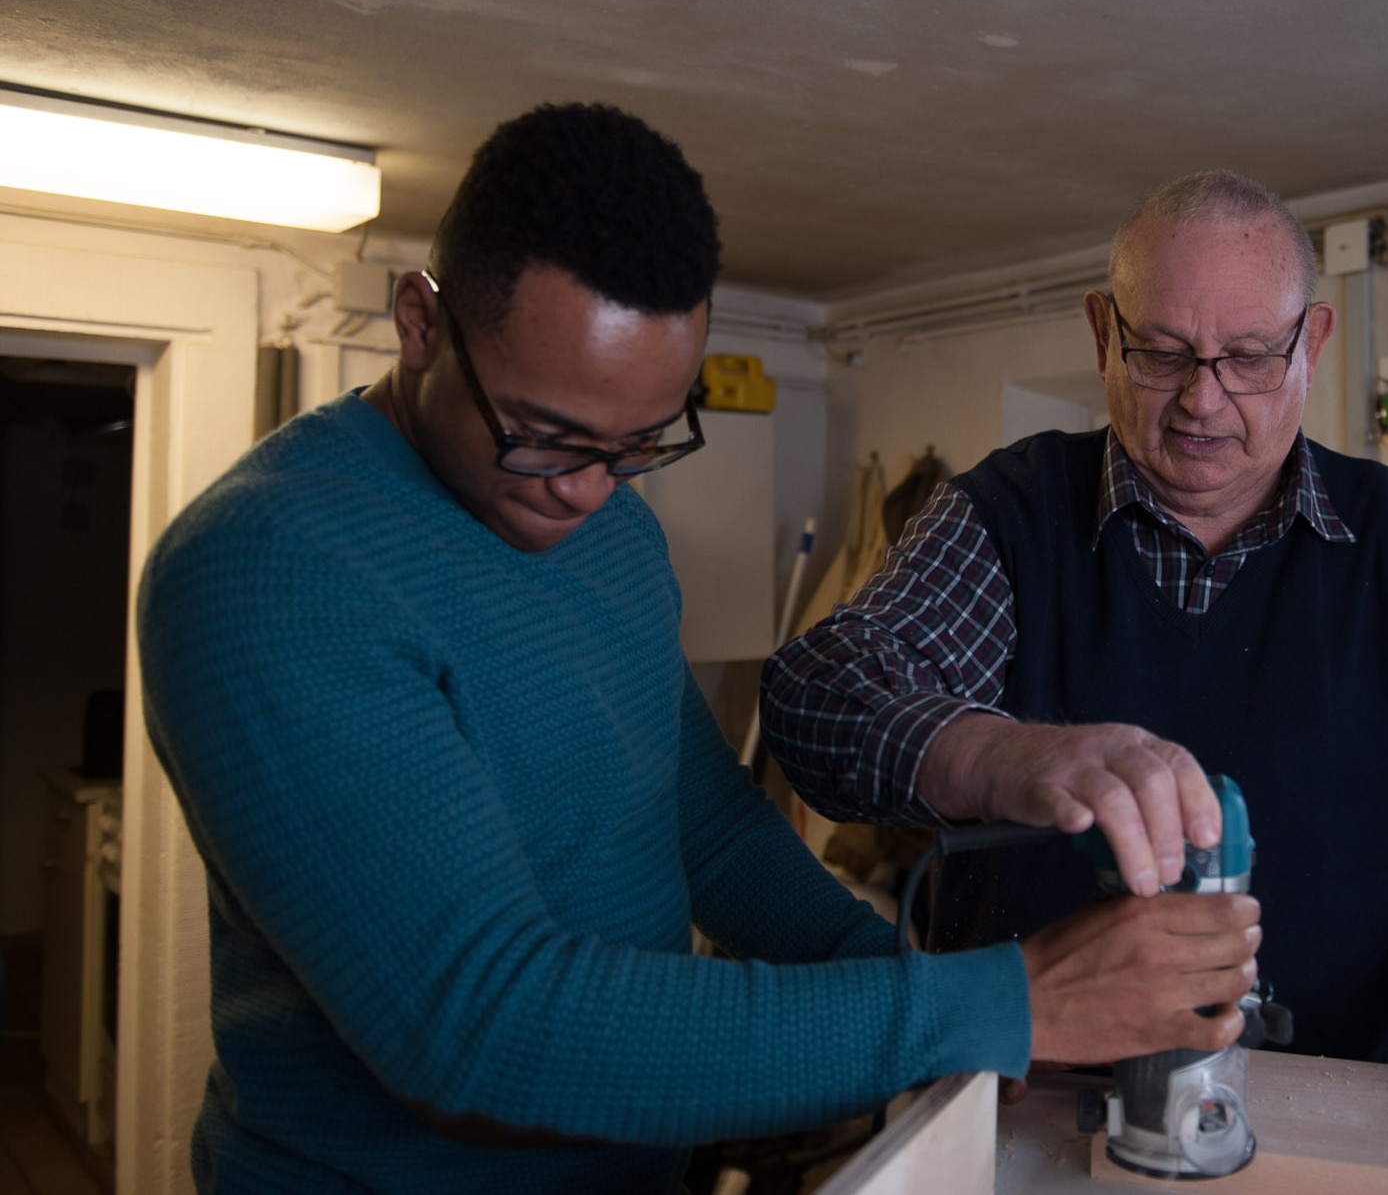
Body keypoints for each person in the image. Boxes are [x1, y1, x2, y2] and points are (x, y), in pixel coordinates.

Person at [136, 105, 1261, 1194]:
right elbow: (478, 1031)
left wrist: (935, 996)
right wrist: (1000, 1003)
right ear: (420, 322)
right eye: (542, 435)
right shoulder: (276, 568)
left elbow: (708, 833)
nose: (583, 488)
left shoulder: (609, 532)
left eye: (636, 443)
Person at [762, 170, 1388, 1190]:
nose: (1201, 399)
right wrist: (996, 748)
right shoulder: (1004, 518)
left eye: (1246, 356)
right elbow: (817, 695)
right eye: (1161, 353)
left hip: (1341, 1119)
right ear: (1102, 333)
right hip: (1030, 1110)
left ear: (1310, 343)